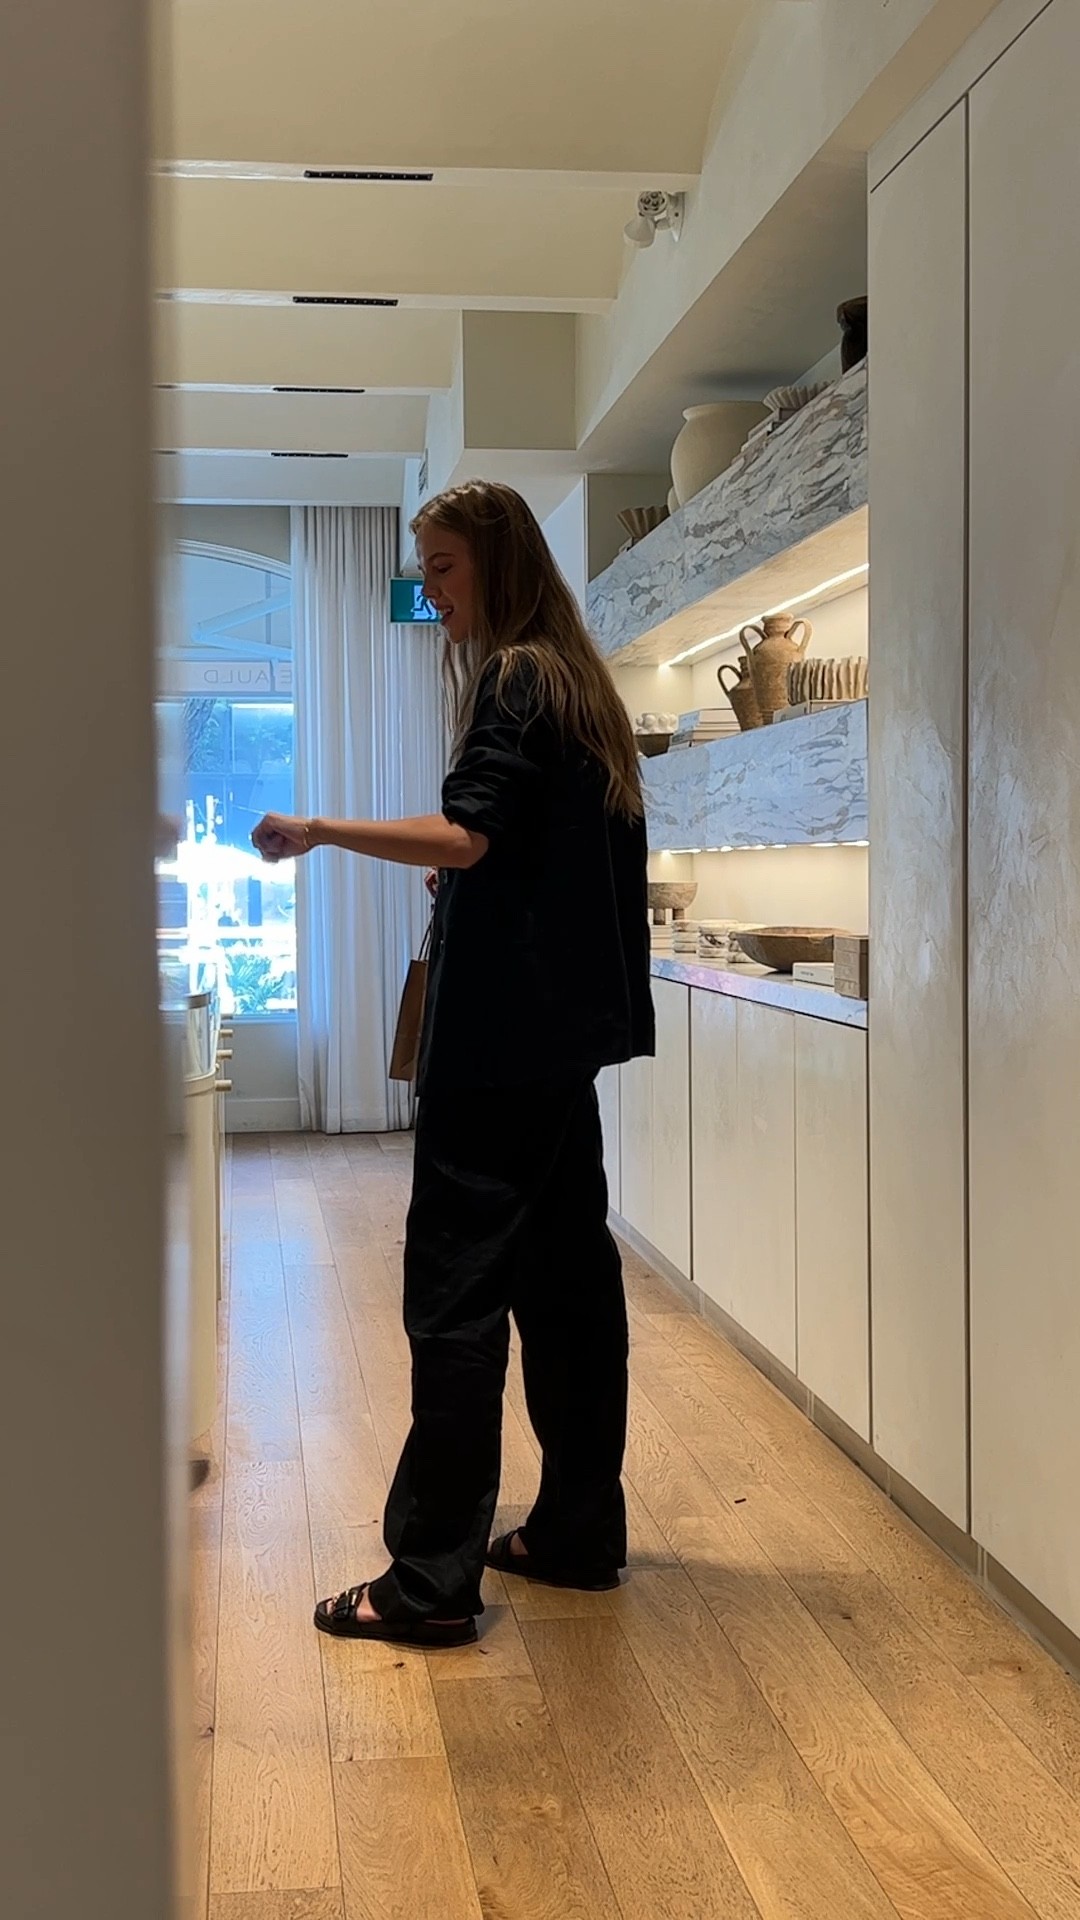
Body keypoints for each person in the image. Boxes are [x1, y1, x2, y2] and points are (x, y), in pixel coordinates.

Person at [253, 480, 654, 1648]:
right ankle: (577, 1530)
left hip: (496, 1049)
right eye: (423, 570)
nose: (429, 592)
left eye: (441, 568)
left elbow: (472, 831)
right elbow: (528, 850)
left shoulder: (516, 676)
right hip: (558, 1046)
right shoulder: (574, 682)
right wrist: (479, 873)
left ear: (498, 562)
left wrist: (319, 830)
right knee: (569, 1287)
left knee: (454, 1297)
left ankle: (428, 1582)